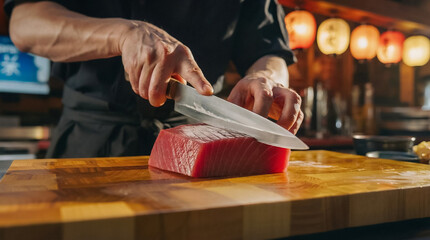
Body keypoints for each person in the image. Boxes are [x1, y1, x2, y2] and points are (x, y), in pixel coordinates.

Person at [4, 0, 303, 158]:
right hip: (88, 142)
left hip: (197, 144)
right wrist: (123, 34)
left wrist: (267, 77)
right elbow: (25, 23)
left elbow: (270, 50)